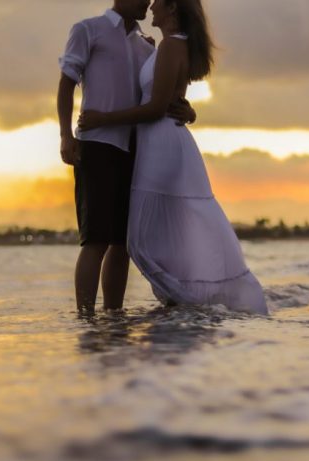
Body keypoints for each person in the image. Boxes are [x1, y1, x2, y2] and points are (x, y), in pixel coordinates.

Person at [79, 0, 269, 314]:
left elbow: (155, 109)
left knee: (141, 234)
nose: (151, 5)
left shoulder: (170, 47)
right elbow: (167, 96)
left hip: (161, 143)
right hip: (157, 143)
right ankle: (178, 298)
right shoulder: (164, 47)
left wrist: (103, 119)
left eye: (157, 2)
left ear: (171, 8)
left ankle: (181, 297)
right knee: (156, 230)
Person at [58, 0, 195, 314]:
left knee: (122, 244)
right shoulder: (88, 30)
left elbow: (164, 98)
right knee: (95, 239)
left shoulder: (148, 47)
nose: (148, 2)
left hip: (136, 151)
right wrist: (66, 135)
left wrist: (190, 111)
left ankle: (114, 317)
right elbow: (66, 85)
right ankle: (86, 319)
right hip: (97, 145)